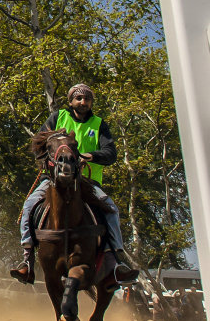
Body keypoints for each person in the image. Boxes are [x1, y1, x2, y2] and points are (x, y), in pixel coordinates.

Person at [11, 83, 137, 285]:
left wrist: (90, 155)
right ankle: (27, 260)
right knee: (29, 205)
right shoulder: (57, 118)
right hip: (52, 180)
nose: (83, 102)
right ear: (70, 102)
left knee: (111, 209)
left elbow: (111, 153)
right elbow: (38, 146)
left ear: (91, 102)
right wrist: (51, 161)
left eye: (87, 99)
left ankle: (115, 262)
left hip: (87, 181)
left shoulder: (99, 124)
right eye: (78, 98)